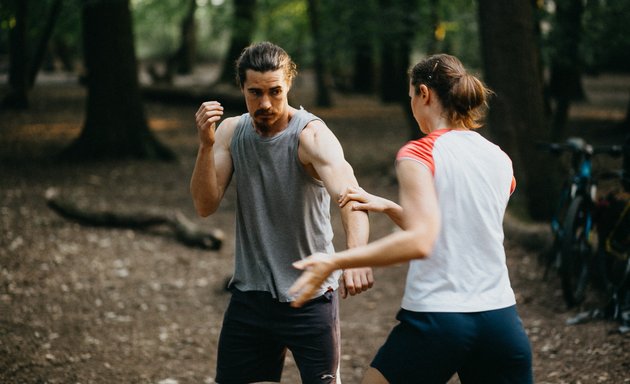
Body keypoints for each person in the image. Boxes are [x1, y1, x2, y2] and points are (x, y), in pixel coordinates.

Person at [289, 54, 533, 384]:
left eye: (410, 99)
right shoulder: (499, 158)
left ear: (424, 94)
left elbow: (422, 240)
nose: (412, 106)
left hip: (440, 322)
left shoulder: (418, 153)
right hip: (501, 322)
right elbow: (455, 233)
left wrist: (337, 261)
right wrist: (390, 208)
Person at [190, 41, 374, 384]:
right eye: (254, 92)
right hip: (251, 296)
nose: (265, 103)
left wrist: (358, 256)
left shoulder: (311, 136)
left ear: (288, 84)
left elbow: (351, 197)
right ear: (241, 88)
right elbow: (204, 204)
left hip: (311, 295)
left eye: (275, 91)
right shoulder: (232, 131)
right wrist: (206, 144)